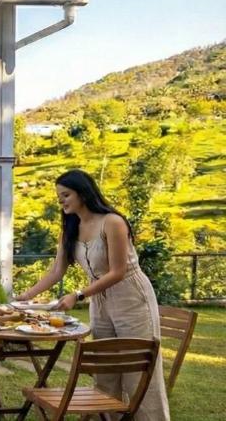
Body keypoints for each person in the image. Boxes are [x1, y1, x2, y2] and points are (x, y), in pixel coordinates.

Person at [15, 169, 170, 420]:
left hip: (131, 298)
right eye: (59, 198)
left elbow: (118, 271)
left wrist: (77, 295)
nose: (62, 201)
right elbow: (56, 271)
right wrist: (24, 297)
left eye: (66, 195)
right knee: (105, 371)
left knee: (139, 373)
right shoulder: (70, 228)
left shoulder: (112, 222)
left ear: (83, 193)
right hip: (100, 302)